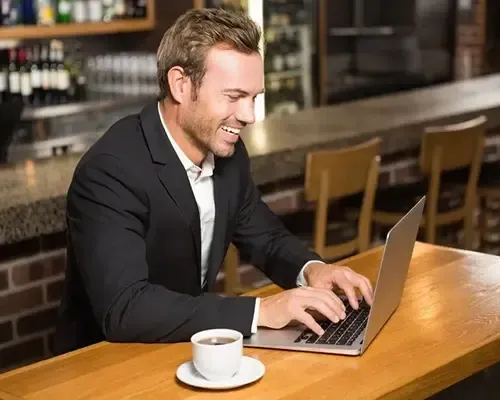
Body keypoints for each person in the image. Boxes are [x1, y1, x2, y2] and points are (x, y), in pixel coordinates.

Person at [53, 7, 374, 356]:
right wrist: (262, 311)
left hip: (185, 350)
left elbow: (264, 236)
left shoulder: (227, 153)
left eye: (254, 98)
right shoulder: (110, 170)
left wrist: (312, 270)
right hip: (103, 365)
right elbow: (125, 307)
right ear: (180, 85)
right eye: (234, 97)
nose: (249, 116)